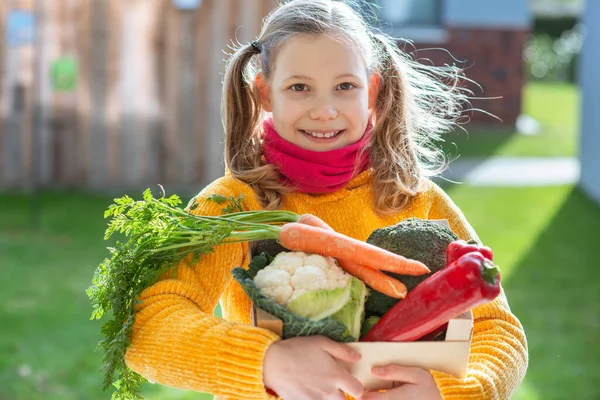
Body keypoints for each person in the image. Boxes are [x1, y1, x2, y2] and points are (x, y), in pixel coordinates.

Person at [124, 0, 528, 399]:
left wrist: (447, 393)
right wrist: (269, 362)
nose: (325, 110)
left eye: (344, 86)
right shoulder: (233, 207)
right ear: (264, 94)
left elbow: (499, 330)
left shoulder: (415, 199)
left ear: (371, 91)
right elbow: (149, 328)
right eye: (299, 87)